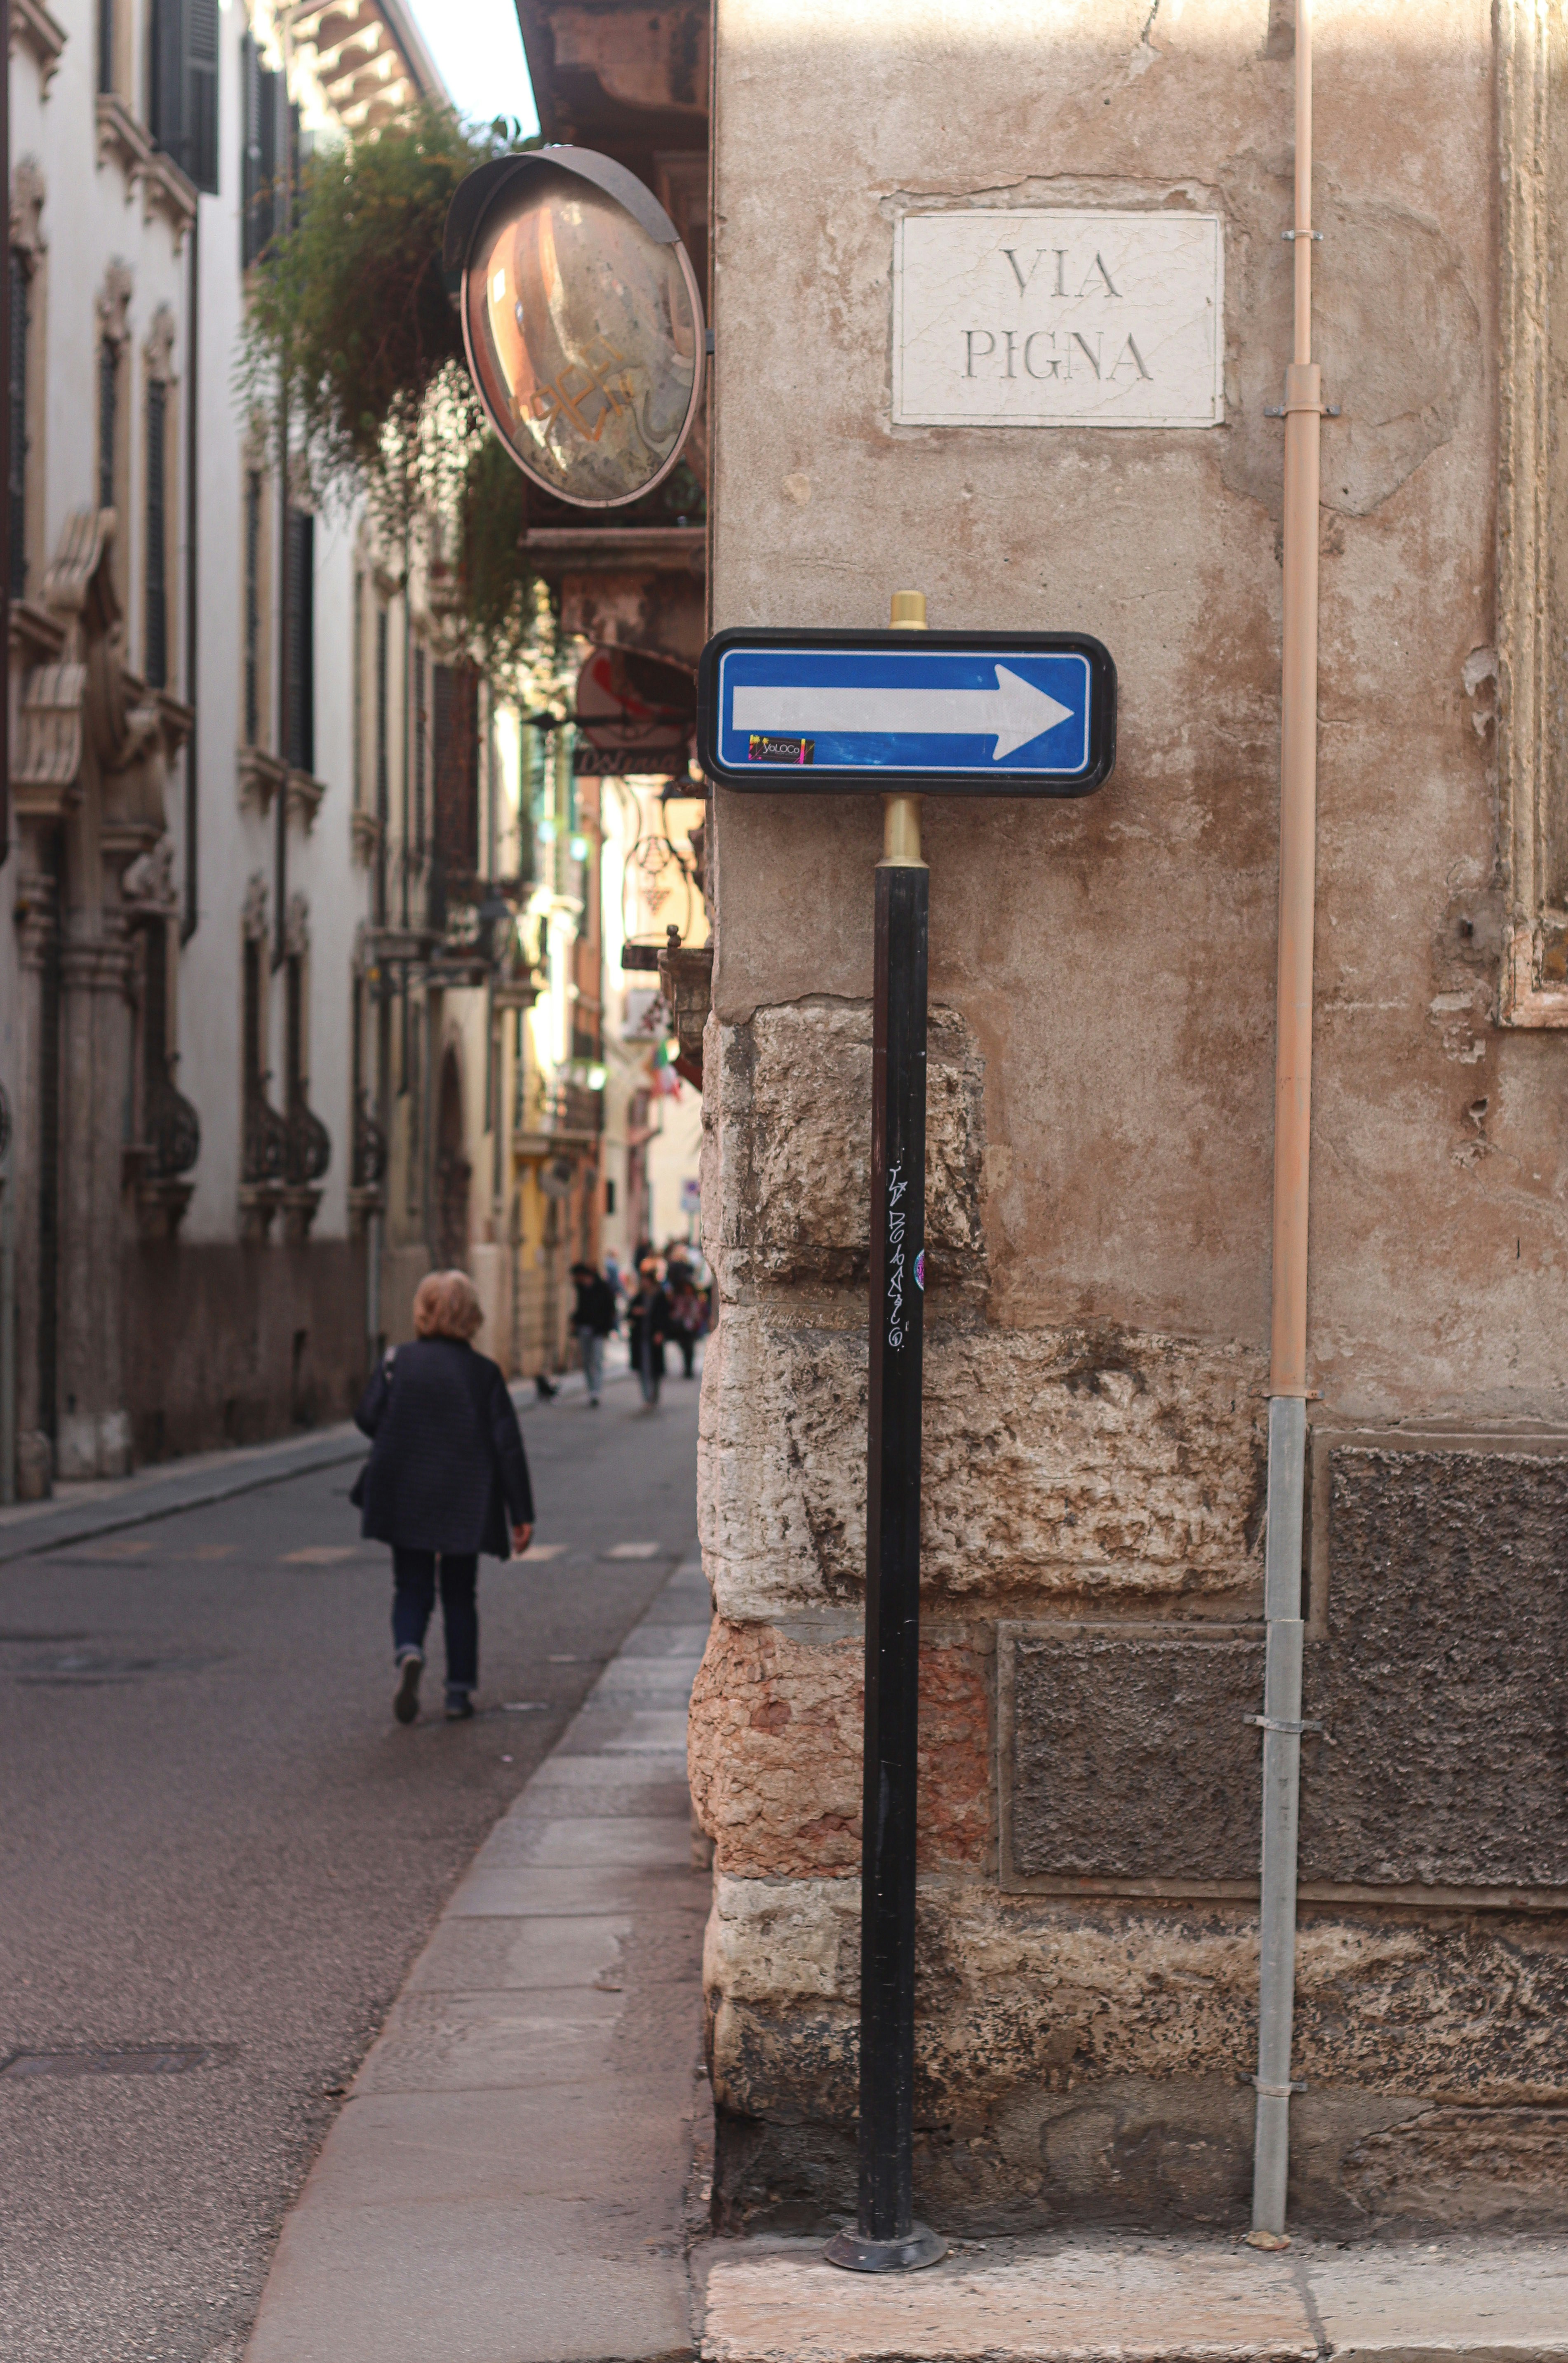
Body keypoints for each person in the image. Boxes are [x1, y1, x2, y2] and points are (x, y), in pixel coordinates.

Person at [352, 1269, 534, 1725]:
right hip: (465, 1495)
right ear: (472, 1317)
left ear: (422, 1311)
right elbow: (506, 1446)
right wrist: (521, 1513)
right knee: (459, 1593)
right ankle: (458, 1692)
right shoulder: (484, 1374)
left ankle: (409, 1650)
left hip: (406, 1489)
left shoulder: (398, 1361)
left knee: (410, 1583)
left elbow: (367, 1417)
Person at [625, 1257, 672, 1408]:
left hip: (654, 1336)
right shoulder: (639, 1296)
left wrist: (661, 1332)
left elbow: (665, 1316)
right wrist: (635, 1312)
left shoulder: (660, 1296)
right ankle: (647, 1397)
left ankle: (654, 1396)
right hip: (640, 1337)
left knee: (655, 1369)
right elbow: (629, 1313)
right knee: (643, 1368)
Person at [570, 1259, 618, 1406]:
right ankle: (591, 1390)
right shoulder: (580, 1289)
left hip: (598, 1330)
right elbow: (580, 1309)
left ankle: (596, 1392)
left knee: (596, 1360)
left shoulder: (602, 1288)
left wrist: (606, 1329)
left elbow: (610, 1309)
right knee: (586, 1361)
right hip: (584, 1329)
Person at [665, 1259, 707, 1380]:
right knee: (684, 1347)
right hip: (682, 1326)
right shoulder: (679, 1298)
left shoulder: (695, 1299)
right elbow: (675, 1311)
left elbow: (699, 1312)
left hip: (692, 1325)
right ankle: (687, 1368)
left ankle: (689, 1369)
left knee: (690, 1347)